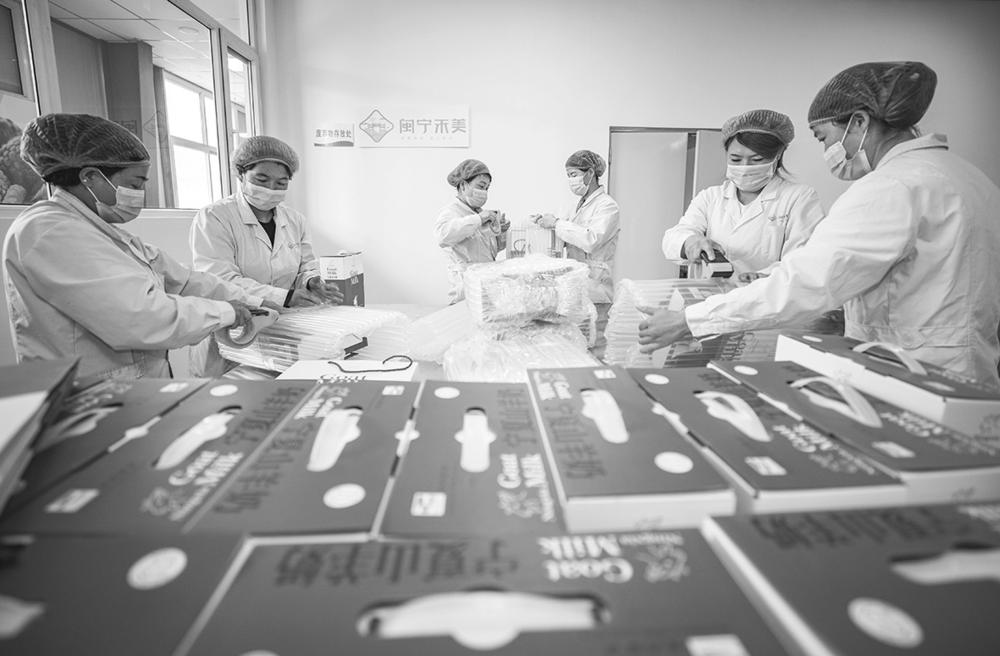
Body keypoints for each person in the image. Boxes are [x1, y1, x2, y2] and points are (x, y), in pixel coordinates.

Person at [638, 61, 1000, 386]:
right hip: (963, 364)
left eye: (824, 137)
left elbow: (806, 279)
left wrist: (689, 320)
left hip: (914, 368)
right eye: (737, 158)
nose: (828, 150)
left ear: (859, 122)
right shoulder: (969, 177)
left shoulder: (889, 187)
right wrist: (692, 245)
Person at [3, 113, 262, 382]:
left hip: (128, 387)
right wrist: (227, 312)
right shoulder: (49, 231)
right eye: (134, 184)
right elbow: (141, 317)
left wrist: (256, 302)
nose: (140, 194)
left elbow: (183, 280)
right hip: (85, 393)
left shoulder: (101, 231)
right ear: (90, 177)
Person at [189, 135, 342, 376]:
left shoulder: (295, 220)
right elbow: (220, 280)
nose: (271, 189)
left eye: (281, 183)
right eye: (262, 179)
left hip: (280, 334)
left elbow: (306, 265)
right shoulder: (215, 217)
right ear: (241, 174)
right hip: (232, 333)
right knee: (230, 392)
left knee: (282, 388)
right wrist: (286, 297)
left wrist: (313, 281)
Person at [662, 109, 825, 278]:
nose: (745, 167)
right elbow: (673, 238)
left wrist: (761, 278)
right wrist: (690, 242)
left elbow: (802, 260)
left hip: (766, 293)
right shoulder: (711, 197)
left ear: (777, 156)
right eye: (735, 159)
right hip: (710, 294)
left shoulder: (799, 198)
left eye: (756, 160)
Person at [532, 149, 620, 348]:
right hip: (574, 284)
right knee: (576, 343)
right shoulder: (574, 206)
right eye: (568, 176)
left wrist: (557, 224)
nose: (571, 180)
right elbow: (565, 236)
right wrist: (543, 223)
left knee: (595, 343)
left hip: (596, 285)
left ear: (590, 173)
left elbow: (590, 239)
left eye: (574, 174)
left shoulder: (608, 206)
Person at [435, 159, 509, 303]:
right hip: (465, 289)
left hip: (485, 287)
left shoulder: (478, 213)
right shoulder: (451, 212)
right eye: (481, 186)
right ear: (463, 185)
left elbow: (486, 252)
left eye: (487, 188)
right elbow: (443, 236)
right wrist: (479, 219)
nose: (484, 192)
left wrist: (501, 234)